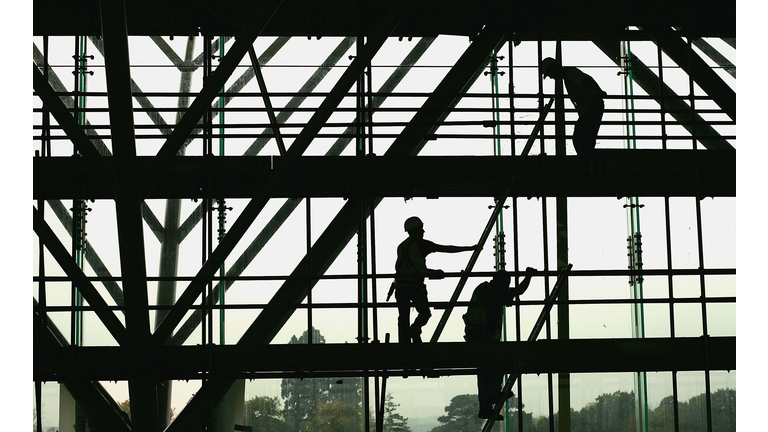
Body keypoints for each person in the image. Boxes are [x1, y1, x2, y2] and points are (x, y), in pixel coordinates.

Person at [388, 216, 478, 343]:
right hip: (415, 286)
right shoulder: (421, 244)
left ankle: (404, 343)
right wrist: (469, 248)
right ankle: (414, 329)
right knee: (425, 313)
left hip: (400, 287)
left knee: (403, 317)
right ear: (417, 230)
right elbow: (446, 249)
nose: (423, 232)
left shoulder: (401, 246)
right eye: (422, 229)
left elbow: (410, 267)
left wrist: (432, 273)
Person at [463, 268, 535, 420]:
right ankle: (491, 398)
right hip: (479, 335)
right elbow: (488, 301)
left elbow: (518, 291)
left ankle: (487, 404)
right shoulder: (483, 289)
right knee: (491, 366)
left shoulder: (495, 290)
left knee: (486, 370)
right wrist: (503, 298)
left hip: (484, 337)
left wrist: (528, 277)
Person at [540, 57, 607, 155]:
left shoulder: (570, 74)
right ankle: (586, 158)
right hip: (590, 108)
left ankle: (585, 159)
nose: (551, 77)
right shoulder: (568, 75)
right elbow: (587, 80)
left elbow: (588, 80)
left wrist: (599, 92)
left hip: (592, 107)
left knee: (582, 138)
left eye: (550, 74)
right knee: (584, 137)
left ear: (554, 68)